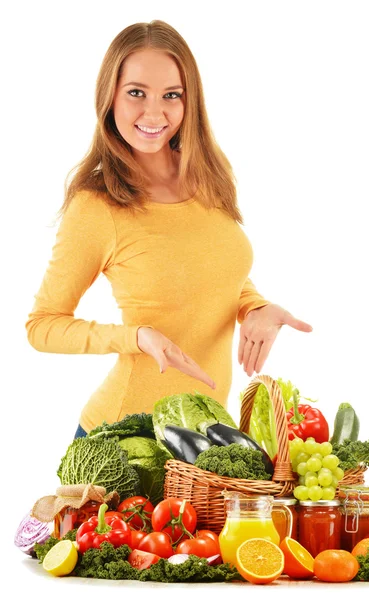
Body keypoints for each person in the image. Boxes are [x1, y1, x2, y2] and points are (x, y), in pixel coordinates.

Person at [25, 20, 312, 438]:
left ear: (188, 100)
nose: (154, 113)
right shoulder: (97, 206)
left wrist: (256, 308)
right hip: (125, 438)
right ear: (109, 96)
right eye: (136, 93)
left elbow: (213, 271)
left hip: (207, 435)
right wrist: (136, 337)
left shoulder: (210, 176)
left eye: (171, 95)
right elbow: (42, 325)